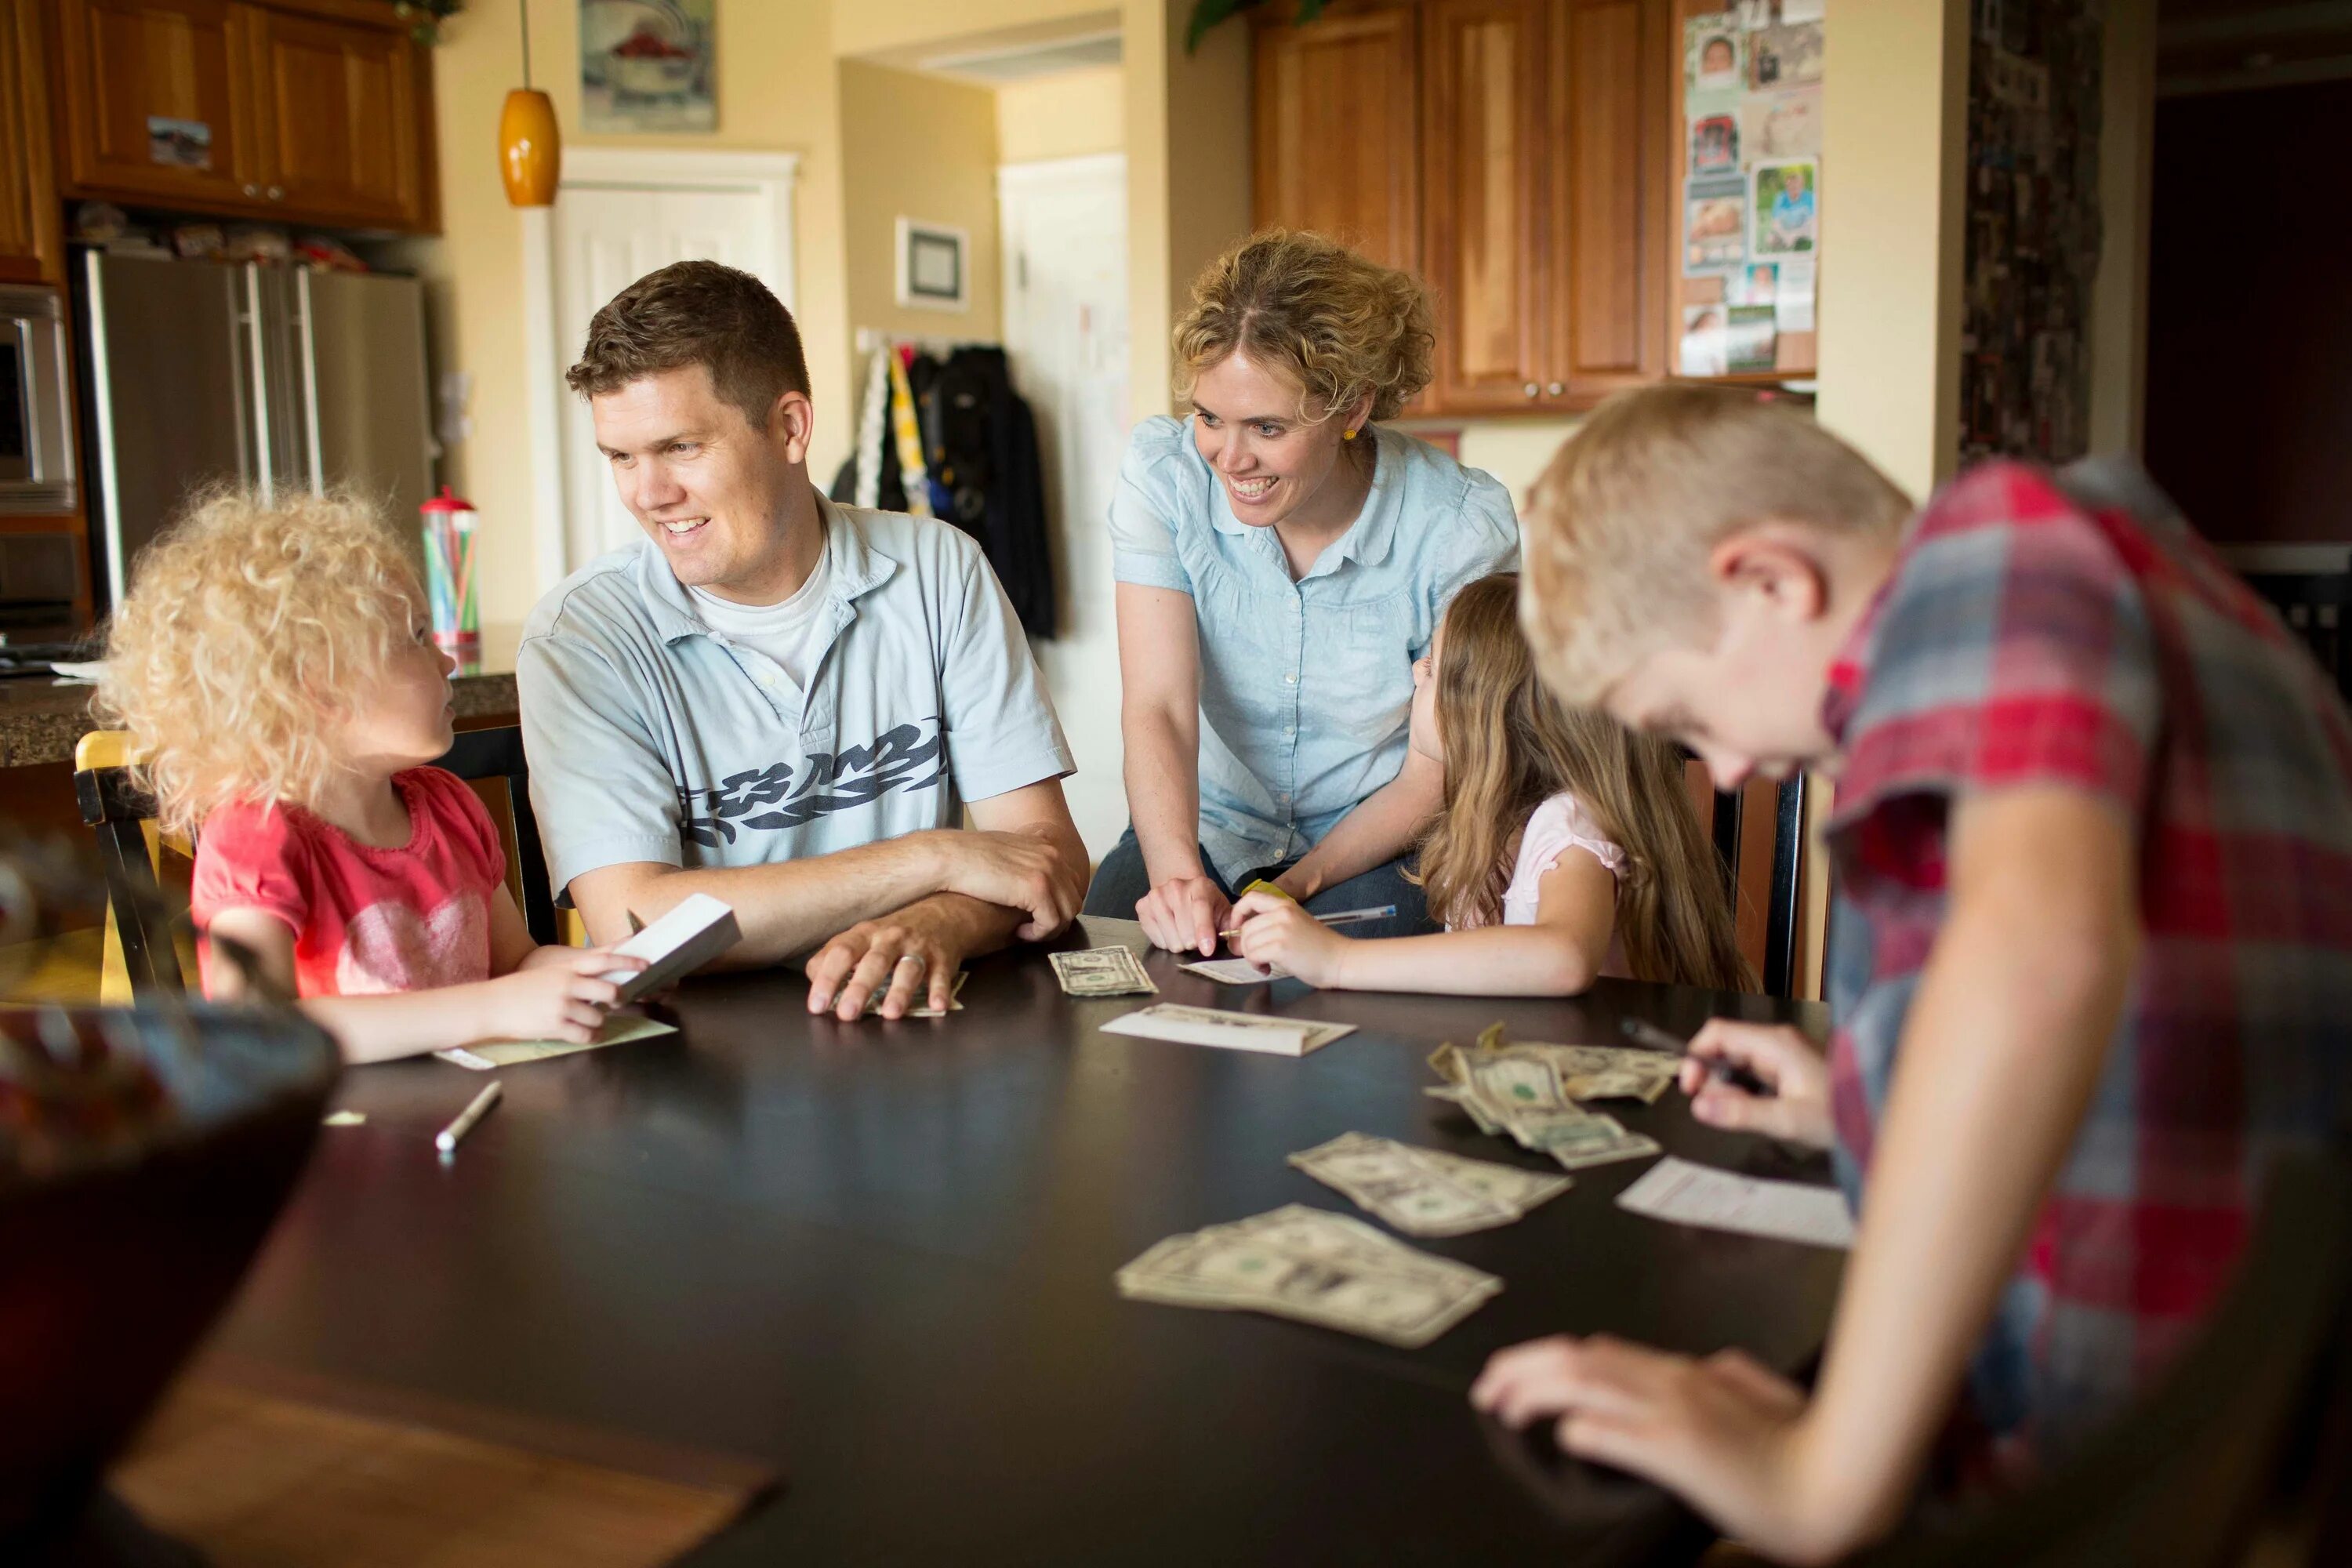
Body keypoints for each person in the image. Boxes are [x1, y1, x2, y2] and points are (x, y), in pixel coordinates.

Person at [1471, 386, 2352, 1562]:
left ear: (1771, 581)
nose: (1728, 773)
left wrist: (1826, 1474)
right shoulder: (2143, 574)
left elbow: (2039, 960)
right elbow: (2139, 1037)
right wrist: (1861, 1091)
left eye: (1688, 720)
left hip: (2089, 1486)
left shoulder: (1998, 549)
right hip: (2206, 1452)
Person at [519, 260, 1088, 1022]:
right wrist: (936, 857)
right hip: (705, 1067)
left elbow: (1046, 860)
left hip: (911, 1028)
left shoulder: (939, 569)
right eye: (622, 457)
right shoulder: (581, 638)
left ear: (790, 426)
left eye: (681, 447)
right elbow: (635, 924)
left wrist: (937, 920)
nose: (648, 494)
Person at [96, 490, 647, 1062]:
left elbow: (516, 963)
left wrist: (601, 970)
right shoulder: (254, 835)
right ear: (319, 686)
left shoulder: (451, 806)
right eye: (414, 637)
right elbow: (257, 1025)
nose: (447, 660)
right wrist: (494, 1007)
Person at [1084, 230, 1520, 955]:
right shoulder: (1163, 477)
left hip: (1381, 839)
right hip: (1210, 826)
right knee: (1107, 965)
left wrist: (1289, 890)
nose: (1232, 457)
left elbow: (1439, 766)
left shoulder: (1458, 526)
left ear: (1351, 410)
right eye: (1211, 418)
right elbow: (1157, 703)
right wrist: (1178, 878)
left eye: (1269, 427)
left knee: (1334, 1023)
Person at [1225, 574, 1747, 995]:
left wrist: (1338, 960)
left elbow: (1563, 958)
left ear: (1482, 717)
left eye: (1434, 668)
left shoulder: (1569, 824)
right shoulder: (1488, 823)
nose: (1414, 673)